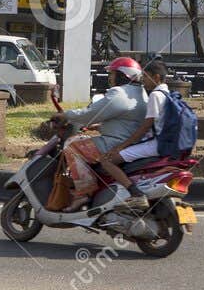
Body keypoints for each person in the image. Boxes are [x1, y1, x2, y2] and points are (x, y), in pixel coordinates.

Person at [58, 57, 147, 211]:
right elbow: (125, 121)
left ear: (122, 75)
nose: (110, 78)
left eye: (112, 74)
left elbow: (91, 113)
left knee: (73, 147)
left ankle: (82, 194)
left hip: (115, 143)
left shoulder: (121, 93)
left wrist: (65, 115)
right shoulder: (142, 93)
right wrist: (99, 126)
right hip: (132, 141)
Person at [99, 61, 170, 204]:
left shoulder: (155, 95)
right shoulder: (168, 93)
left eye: (145, 76)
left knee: (106, 160)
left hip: (156, 145)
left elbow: (145, 126)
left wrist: (122, 146)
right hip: (166, 143)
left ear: (156, 78)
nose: (143, 81)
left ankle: (135, 193)